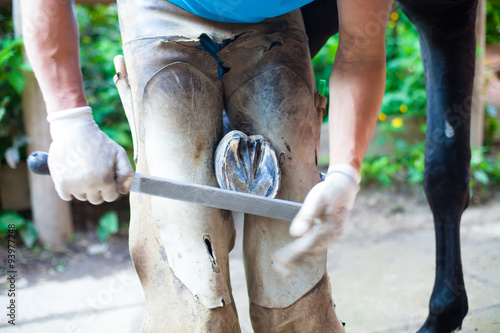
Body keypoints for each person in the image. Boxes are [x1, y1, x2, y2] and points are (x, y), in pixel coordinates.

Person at [21, 0, 393, 331]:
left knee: (295, 273)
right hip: (161, 12)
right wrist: (70, 121)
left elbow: (361, 50)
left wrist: (346, 170)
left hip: (275, 19)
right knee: (191, 271)